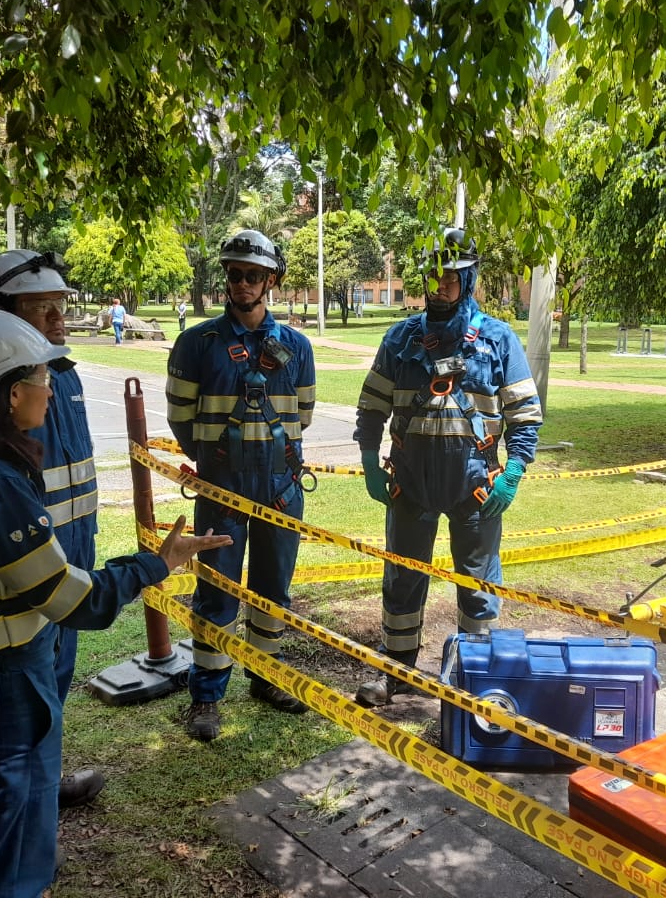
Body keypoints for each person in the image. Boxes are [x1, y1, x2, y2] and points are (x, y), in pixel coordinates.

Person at [0, 308, 230, 898]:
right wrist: (158, 562)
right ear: (6, 394)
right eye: (38, 375)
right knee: (14, 849)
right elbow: (73, 601)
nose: (50, 386)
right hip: (1, 689)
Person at [353, 228, 543, 707]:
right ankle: (396, 670)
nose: (440, 285)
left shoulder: (498, 339)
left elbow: (524, 414)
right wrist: (369, 461)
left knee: (477, 584)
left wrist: (516, 468)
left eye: (451, 277)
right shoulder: (400, 339)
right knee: (402, 577)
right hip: (410, 484)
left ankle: (473, 675)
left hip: (476, 486)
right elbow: (372, 407)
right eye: (434, 275)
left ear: (469, 279)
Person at [165, 230, 317, 741]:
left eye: (253, 275)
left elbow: (306, 415)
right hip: (222, 489)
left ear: (271, 280)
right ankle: (206, 697)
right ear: (226, 278)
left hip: (280, 487)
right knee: (217, 591)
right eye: (235, 274)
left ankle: (266, 679)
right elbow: (180, 420)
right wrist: (213, 461)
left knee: (273, 591)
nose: (243, 283)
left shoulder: (296, 347)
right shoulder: (198, 344)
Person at [0, 248, 107, 810]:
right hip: (28, 562)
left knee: (57, 675)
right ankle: (21, 794)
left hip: (73, 552)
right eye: (42, 308)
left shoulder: (63, 376)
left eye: (59, 306)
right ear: (4, 316)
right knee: (25, 686)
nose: (58, 319)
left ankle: (43, 785)